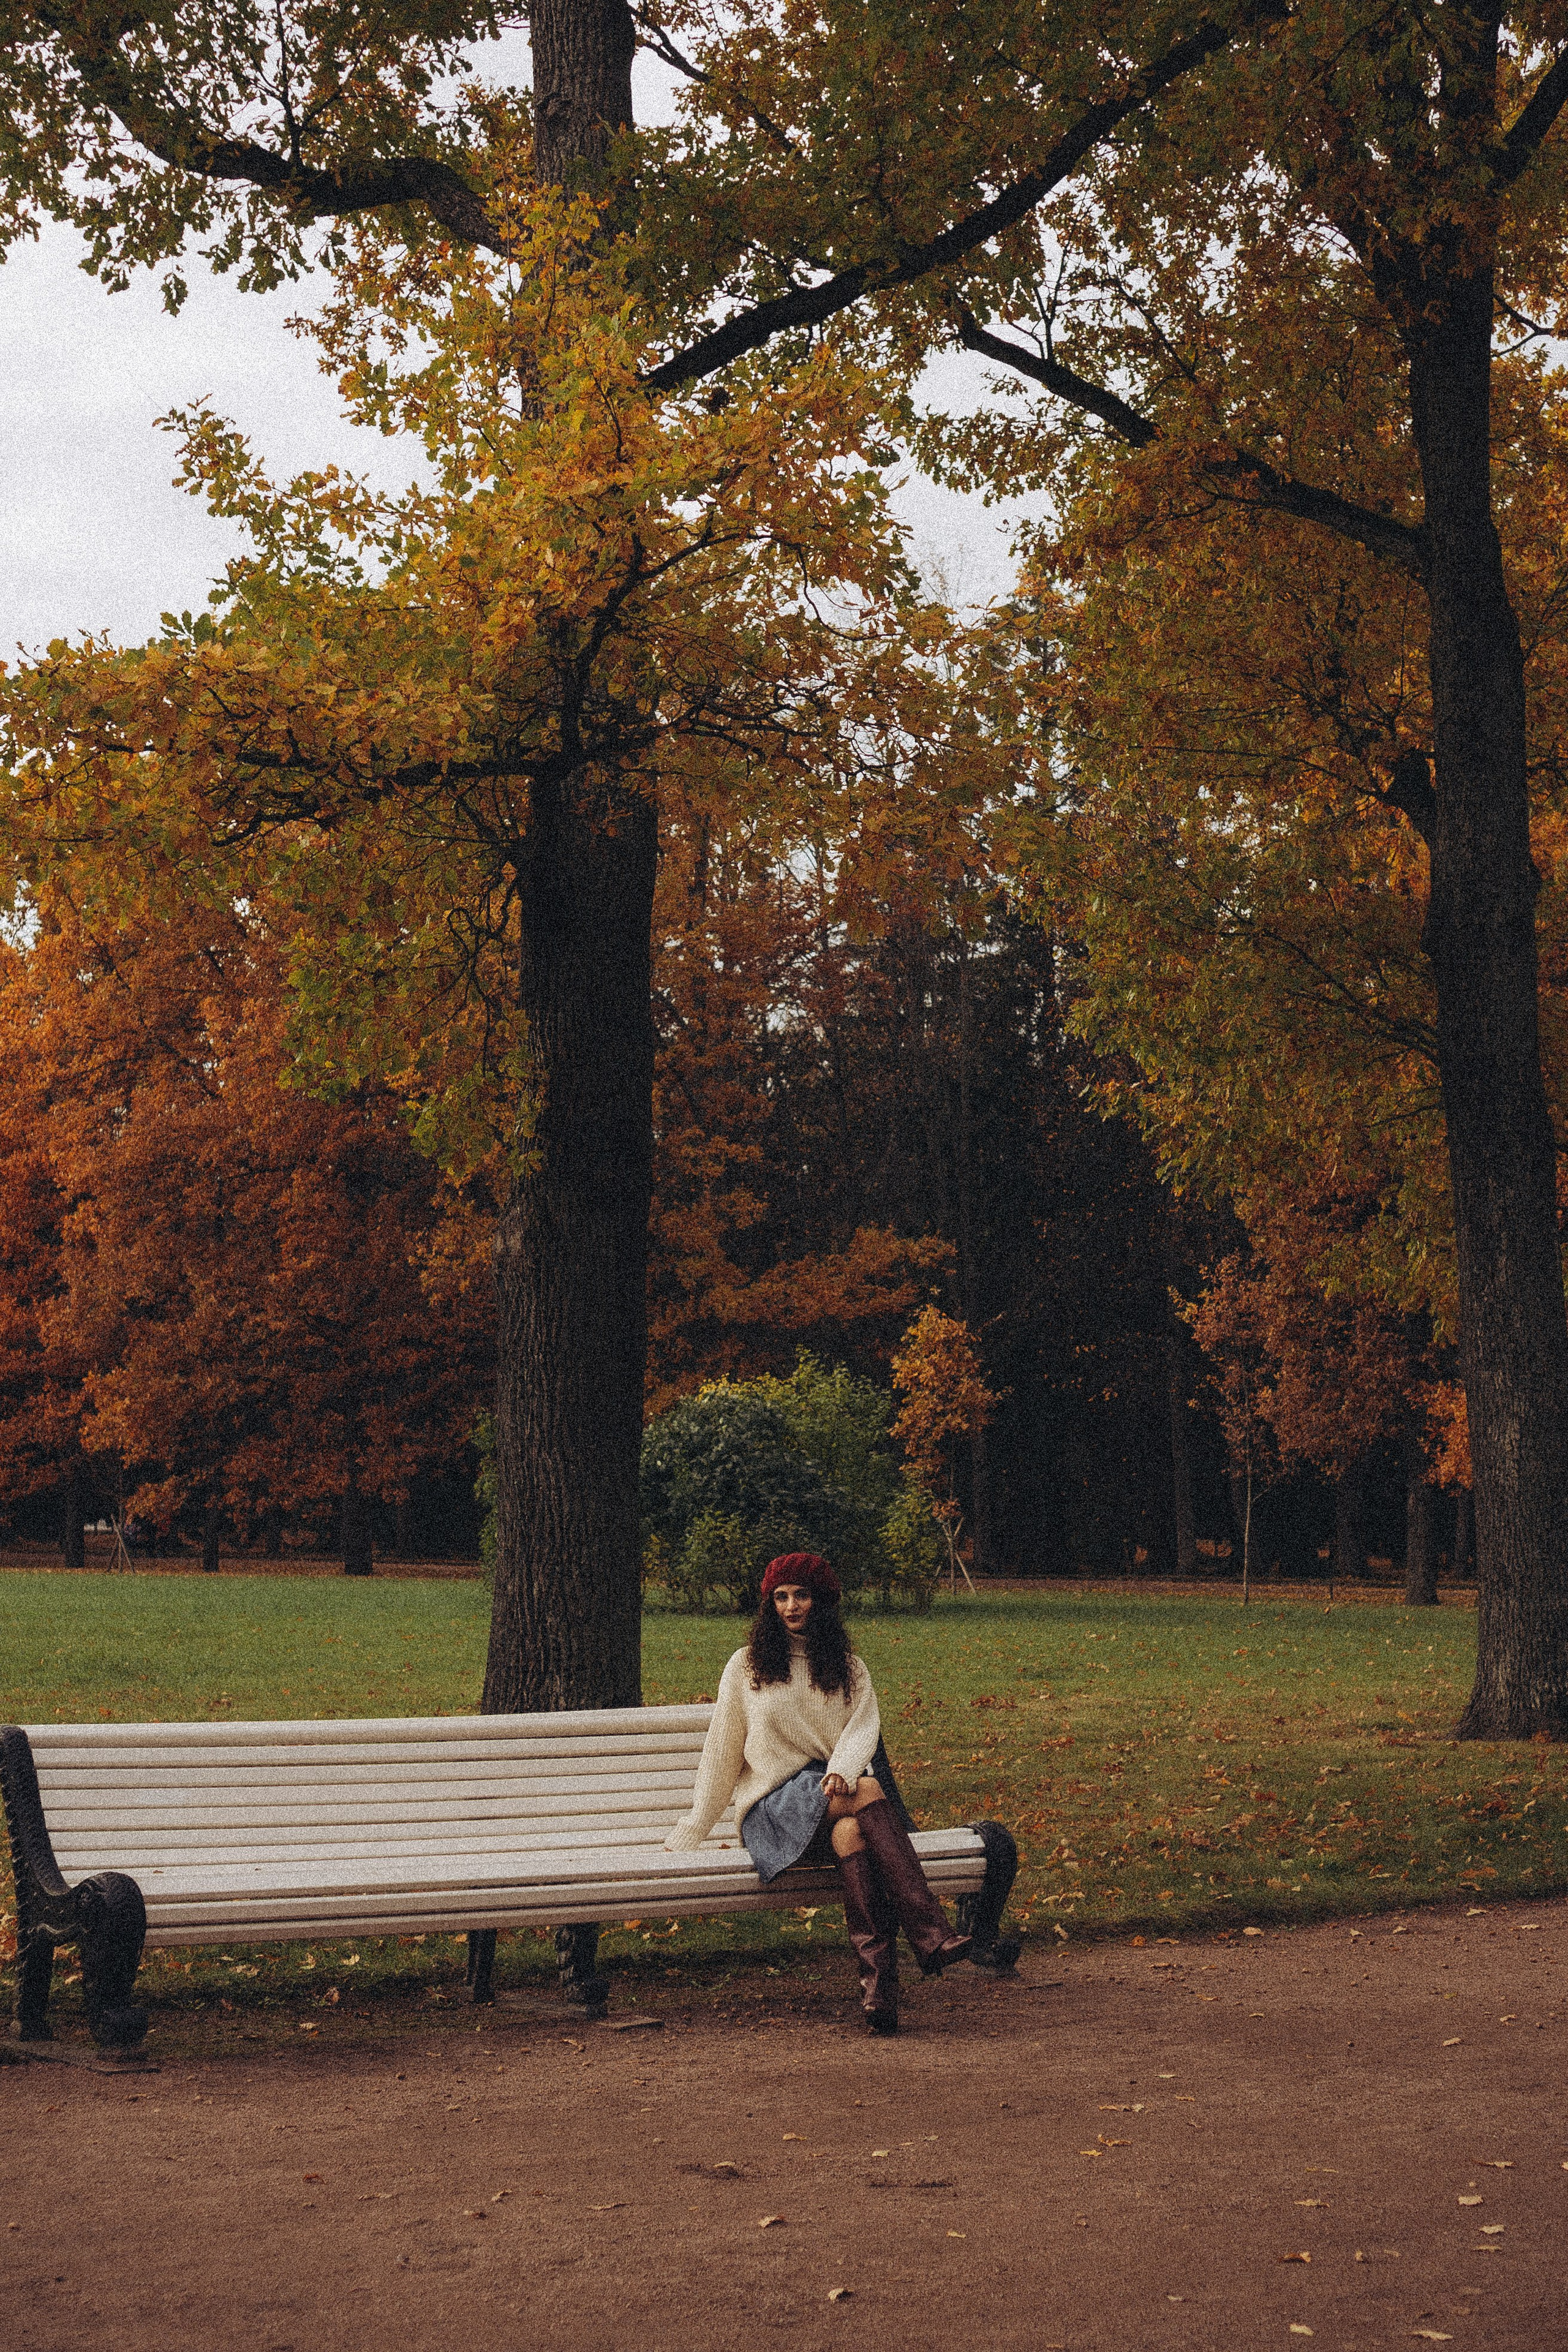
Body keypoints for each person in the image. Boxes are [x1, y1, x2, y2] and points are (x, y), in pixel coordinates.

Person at [663, 1550, 970, 2033]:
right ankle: (930, 1932)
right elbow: (722, 1753)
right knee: (866, 1791)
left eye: (802, 1595)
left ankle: (880, 1991)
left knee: (852, 1833)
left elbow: (861, 1731)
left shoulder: (850, 1669)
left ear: (822, 1601)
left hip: (832, 1797)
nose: (791, 1606)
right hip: (772, 1809)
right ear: (769, 1605)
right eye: (781, 1597)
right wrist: (695, 1827)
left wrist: (842, 1770)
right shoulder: (746, 1667)